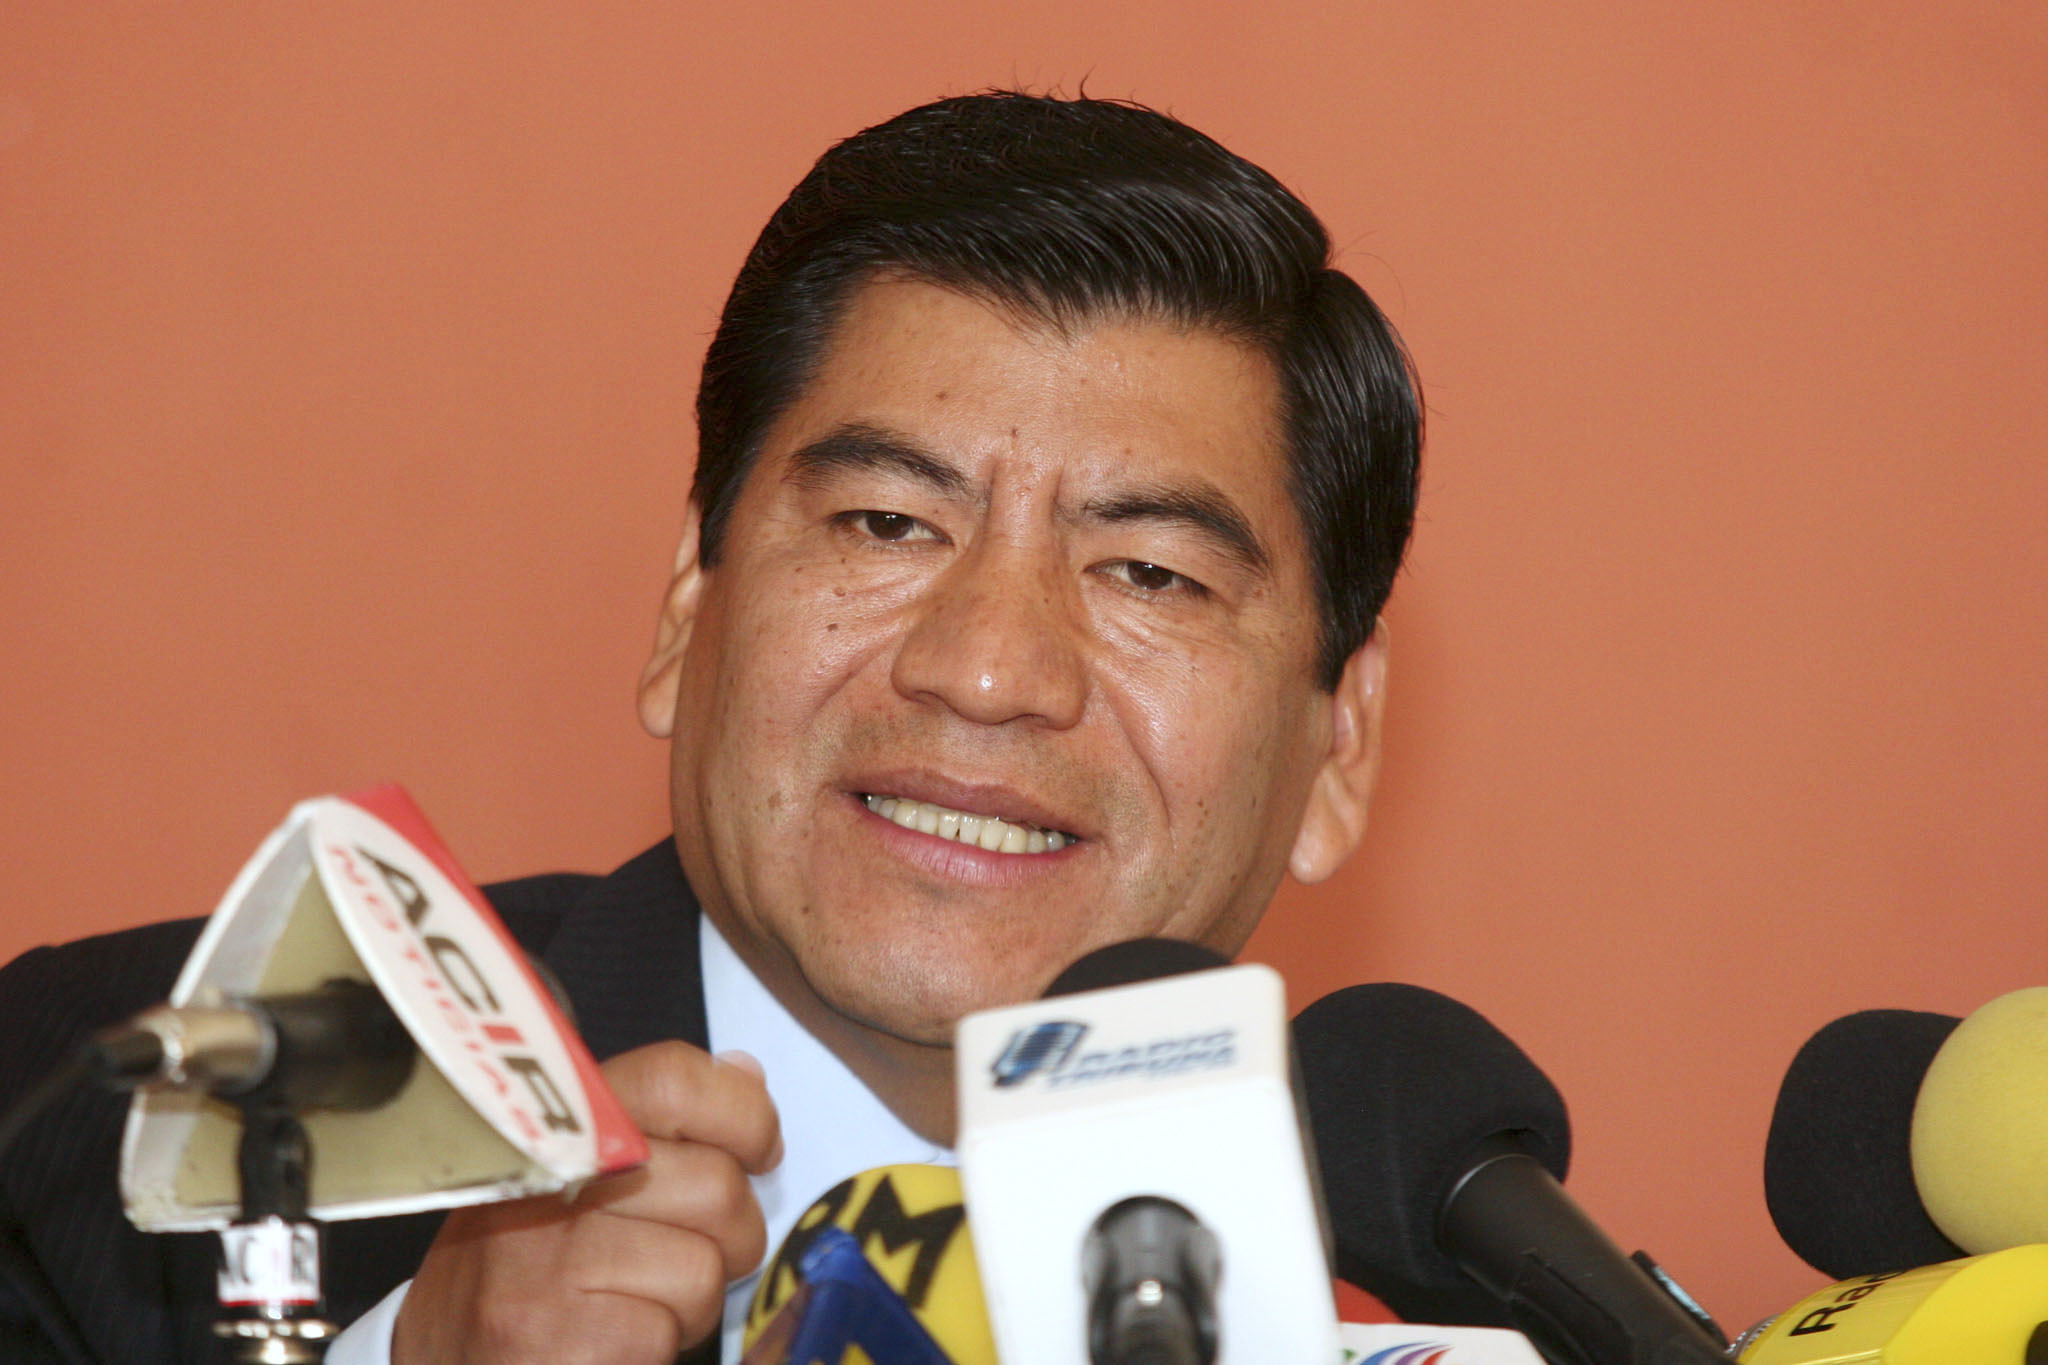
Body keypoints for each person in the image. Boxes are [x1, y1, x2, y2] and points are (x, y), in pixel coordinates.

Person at [0, 90, 1420, 1363]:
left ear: (1340, 745)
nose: (987, 671)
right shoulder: (105, 1131)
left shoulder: (1451, 1294)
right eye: (887, 521)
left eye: (1150, 573)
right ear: (689, 606)